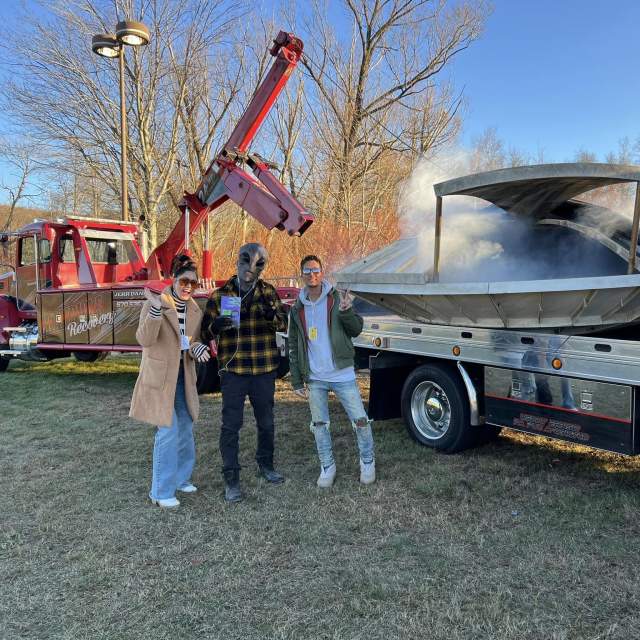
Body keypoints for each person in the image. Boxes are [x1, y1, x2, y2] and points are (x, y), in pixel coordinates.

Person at [200, 242, 288, 503]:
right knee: (230, 425)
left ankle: (266, 464)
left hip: (263, 368)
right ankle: (231, 477)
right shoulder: (221, 294)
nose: (250, 269)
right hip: (234, 371)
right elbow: (205, 332)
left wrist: (270, 313)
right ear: (237, 262)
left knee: (267, 422)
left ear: (263, 267)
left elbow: (283, 324)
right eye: (246, 261)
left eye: (258, 264)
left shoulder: (268, 292)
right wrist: (215, 326)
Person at [130, 254, 211, 508]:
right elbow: (144, 339)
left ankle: (180, 479)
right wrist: (154, 309)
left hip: (183, 377)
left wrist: (196, 349)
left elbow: (190, 341)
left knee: (185, 426)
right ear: (174, 280)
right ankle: (160, 491)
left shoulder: (195, 309)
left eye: (193, 283)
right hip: (160, 378)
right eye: (184, 281)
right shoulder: (157, 303)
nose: (188, 286)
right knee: (168, 430)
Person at [288, 255, 375, 488]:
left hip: (342, 374)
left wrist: (347, 311)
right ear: (302, 275)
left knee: (360, 421)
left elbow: (356, 329)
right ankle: (327, 466)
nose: (311, 274)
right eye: (307, 271)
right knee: (319, 426)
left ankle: (367, 462)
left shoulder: (337, 299)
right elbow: (294, 346)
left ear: (322, 272)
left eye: (315, 270)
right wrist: (297, 380)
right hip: (315, 378)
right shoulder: (297, 309)